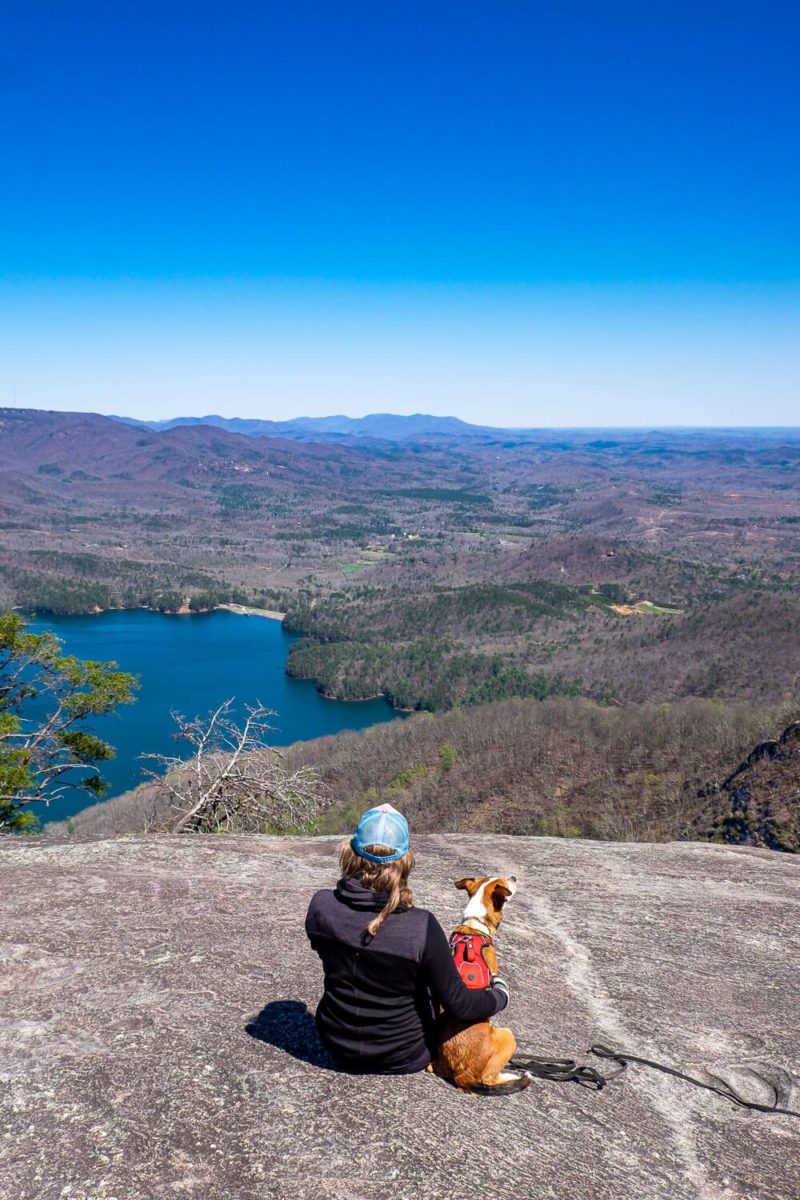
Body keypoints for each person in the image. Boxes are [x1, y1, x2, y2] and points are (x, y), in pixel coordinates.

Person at [304, 803, 514, 1079]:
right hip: (404, 1054)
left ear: (350, 853)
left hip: (335, 1044)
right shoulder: (420, 926)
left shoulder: (321, 907)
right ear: (404, 863)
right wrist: (500, 996)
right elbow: (460, 1004)